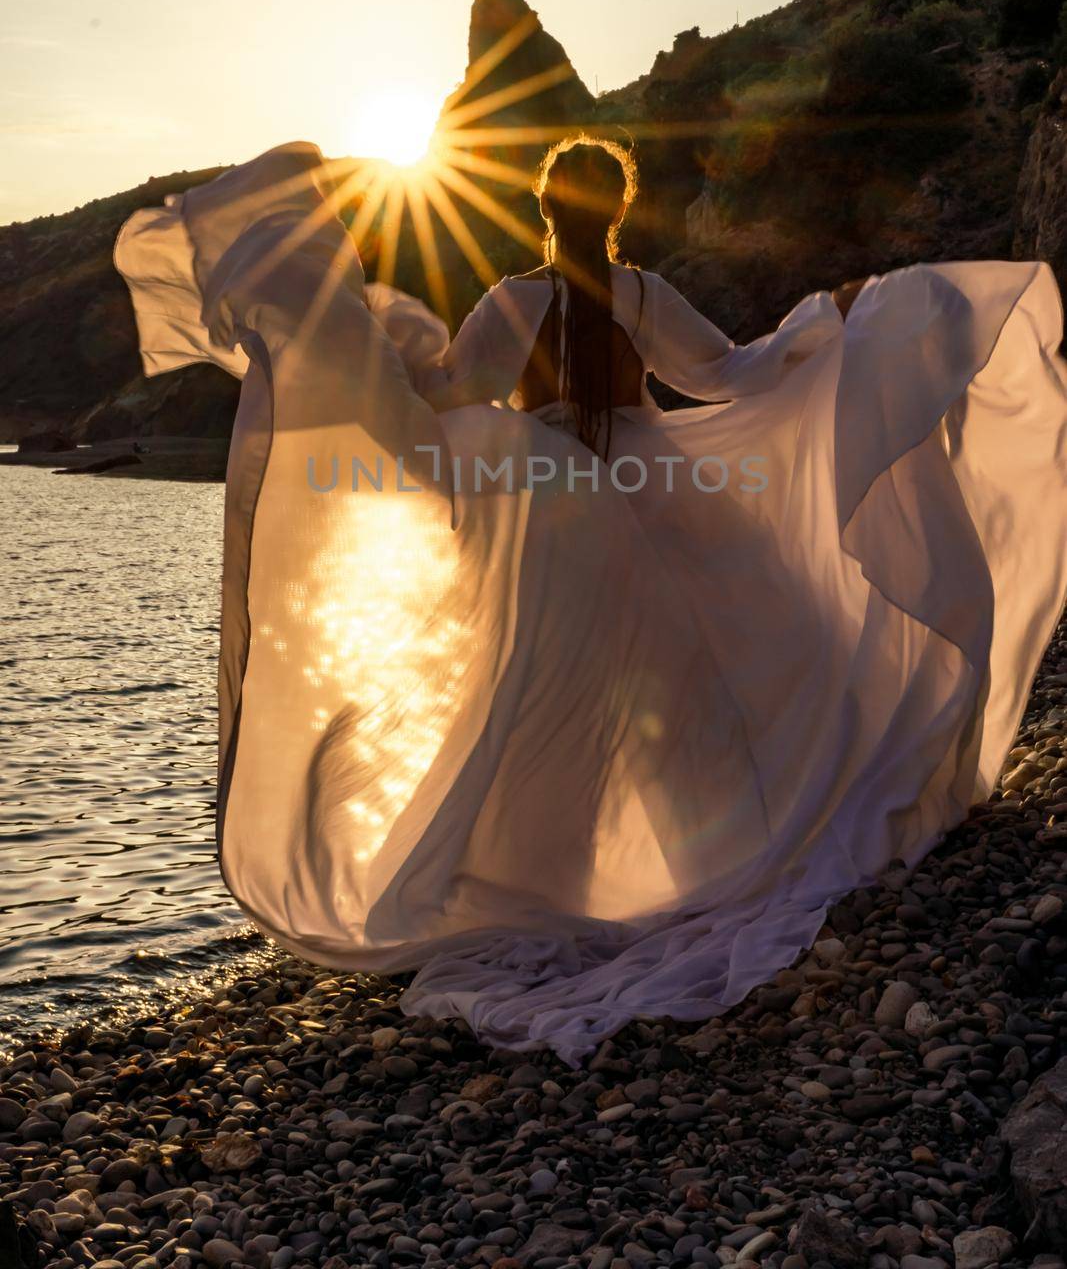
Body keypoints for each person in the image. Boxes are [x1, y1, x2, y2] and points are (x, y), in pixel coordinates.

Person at [114, 135, 1067, 1064]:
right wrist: (829, 329)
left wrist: (371, 358)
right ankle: (724, 852)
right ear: (617, 209)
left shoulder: (516, 299)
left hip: (558, 512)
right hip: (661, 496)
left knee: (551, 707)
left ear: (541, 207)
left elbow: (458, 396)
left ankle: (558, 882)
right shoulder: (642, 294)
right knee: (712, 685)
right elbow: (726, 374)